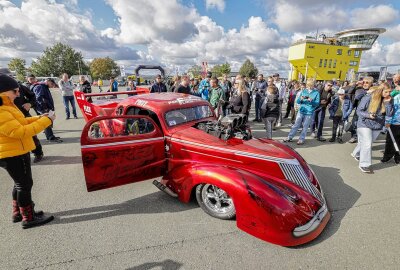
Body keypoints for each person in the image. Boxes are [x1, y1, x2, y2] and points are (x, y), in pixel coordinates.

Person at [0, 74, 55, 228]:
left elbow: (22, 121)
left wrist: (40, 117)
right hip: (12, 153)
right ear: (3, 91)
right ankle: (28, 218)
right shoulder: (2, 110)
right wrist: (47, 121)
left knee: (19, 184)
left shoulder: (6, 106)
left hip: (12, 151)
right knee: (24, 185)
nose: (18, 94)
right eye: (15, 91)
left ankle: (19, 213)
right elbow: (20, 132)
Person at [351, 85, 393, 173]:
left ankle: (356, 153)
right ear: (380, 91)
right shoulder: (368, 97)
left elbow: (389, 114)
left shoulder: (389, 99)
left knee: (365, 143)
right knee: (367, 143)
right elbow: (359, 111)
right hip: (364, 123)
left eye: (389, 92)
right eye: (386, 92)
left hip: (378, 125)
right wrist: (368, 115)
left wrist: (388, 103)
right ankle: (364, 164)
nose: (388, 94)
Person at [283, 78, 320, 145]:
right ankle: (289, 137)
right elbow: (298, 101)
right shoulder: (304, 91)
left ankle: (301, 139)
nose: (309, 87)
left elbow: (317, 104)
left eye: (311, 85)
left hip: (309, 112)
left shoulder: (316, 93)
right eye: (308, 85)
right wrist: (301, 99)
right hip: (301, 110)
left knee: (305, 126)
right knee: (296, 125)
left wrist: (312, 101)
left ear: (313, 85)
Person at [30, 76, 62, 143]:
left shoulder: (44, 86)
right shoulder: (40, 86)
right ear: (48, 81)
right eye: (52, 84)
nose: (52, 86)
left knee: (48, 121)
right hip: (43, 108)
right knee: (46, 122)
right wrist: (44, 108)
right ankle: (50, 137)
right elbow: (39, 98)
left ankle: (51, 136)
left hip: (45, 107)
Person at [348, 77, 373, 143]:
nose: (365, 84)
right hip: (358, 110)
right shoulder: (359, 89)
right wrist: (355, 84)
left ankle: (363, 139)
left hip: (368, 111)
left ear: (371, 83)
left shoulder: (373, 90)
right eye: (363, 82)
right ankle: (354, 136)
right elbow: (349, 92)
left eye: (367, 83)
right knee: (354, 124)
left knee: (365, 126)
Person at [381, 81, 400, 164]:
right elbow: (390, 110)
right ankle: (387, 156)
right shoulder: (395, 97)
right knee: (390, 140)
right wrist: (389, 121)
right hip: (394, 122)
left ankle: (398, 157)